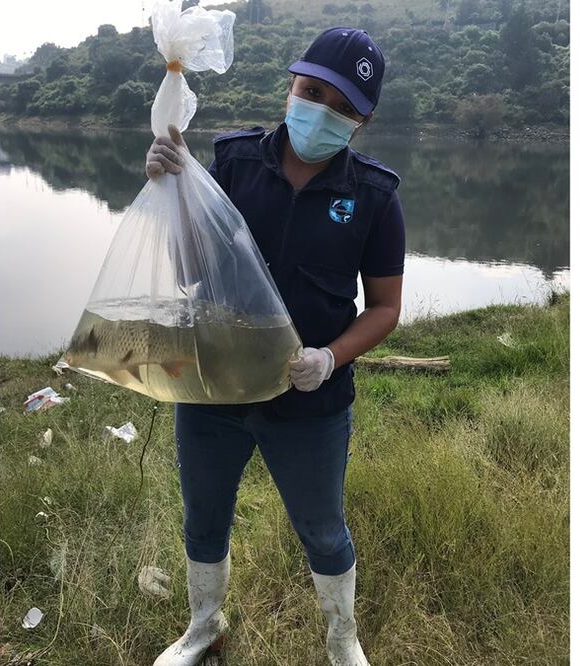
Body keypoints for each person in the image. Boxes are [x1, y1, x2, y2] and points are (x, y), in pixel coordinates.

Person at [145, 26, 404, 666]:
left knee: (322, 529)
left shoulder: (373, 197)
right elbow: (190, 269)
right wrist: (172, 190)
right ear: (290, 87)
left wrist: (329, 358)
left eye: (341, 106)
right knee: (203, 518)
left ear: (362, 120)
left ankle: (342, 638)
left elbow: (385, 308)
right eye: (311, 91)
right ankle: (203, 626)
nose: (321, 111)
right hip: (215, 387)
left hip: (309, 399)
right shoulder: (233, 163)